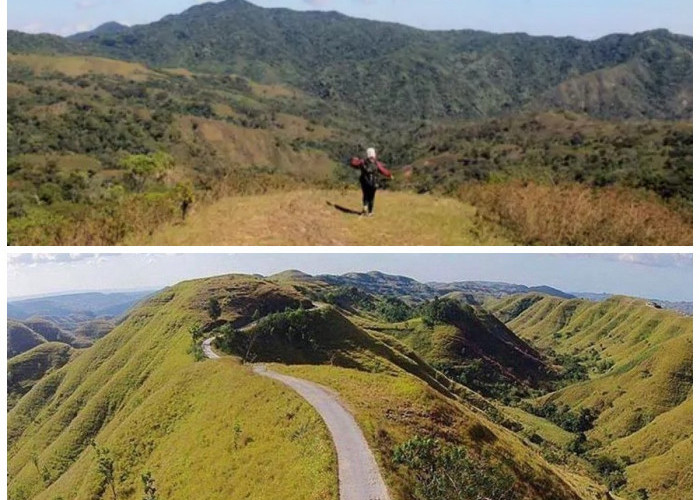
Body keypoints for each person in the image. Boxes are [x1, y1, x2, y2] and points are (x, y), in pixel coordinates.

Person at [349, 148, 393, 216]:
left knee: (365, 195)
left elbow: (353, 164)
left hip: (364, 182)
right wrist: (390, 175)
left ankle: (365, 208)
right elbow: (383, 170)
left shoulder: (362, 162)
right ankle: (370, 212)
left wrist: (354, 159)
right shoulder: (376, 163)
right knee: (371, 197)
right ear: (374, 154)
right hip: (373, 183)